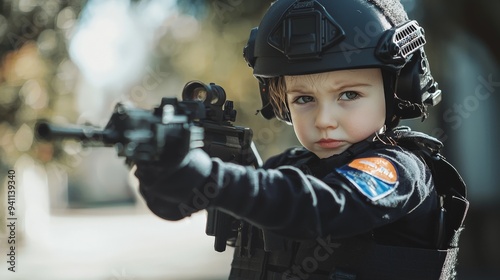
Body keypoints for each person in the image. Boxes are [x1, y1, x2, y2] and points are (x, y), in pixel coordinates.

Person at [134, 0, 469, 279]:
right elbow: (181, 204)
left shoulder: (399, 170)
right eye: (303, 99)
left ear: (398, 90)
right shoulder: (288, 169)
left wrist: (211, 176)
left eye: (349, 94)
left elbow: (323, 206)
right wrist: (165, 173)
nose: (324, 120)